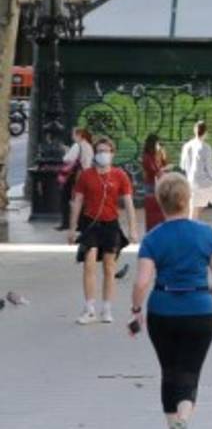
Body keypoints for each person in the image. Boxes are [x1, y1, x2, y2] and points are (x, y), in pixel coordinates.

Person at [130, 172, 212, 429]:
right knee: (190, 372)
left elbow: (141, 282)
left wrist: (136, 310)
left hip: (163, 311)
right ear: (187, 201)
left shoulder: (153, 238)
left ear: (161, 203)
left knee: (169, 372)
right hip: (199, 309)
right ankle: (184, 420)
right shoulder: (205, 234)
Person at [68, 136, 139, 325]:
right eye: (99, 151)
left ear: (113, 154)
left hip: (111, 225)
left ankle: (106, 308)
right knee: (89, 263)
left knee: (109, 267)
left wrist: (133, 229)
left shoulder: (120, 176)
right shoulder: (86, 175)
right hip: (90, 223)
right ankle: (89, 308)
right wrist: (72, 228)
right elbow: (78, 202)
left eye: (106, 151)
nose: (102, 154)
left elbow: (129, 204)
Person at [57, 127, 94, 230]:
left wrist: (66, 151)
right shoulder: (88, 145)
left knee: (66, 198)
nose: (72, 136)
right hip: (86, 174)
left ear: (79, 135)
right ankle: (81, 223)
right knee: (81, 199)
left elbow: (67, 159)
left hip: (75, 175)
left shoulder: (77, 145)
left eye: (74, 134)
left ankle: (66, 223)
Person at [141, 134, 168, 233]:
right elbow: (154, 171)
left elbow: (164, 165)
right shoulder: (147, 157)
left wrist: (163, 156)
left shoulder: (157, 155)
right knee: (153, 212)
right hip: (151, 185)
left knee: (160, 211)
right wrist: (162, 170)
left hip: (159, 184)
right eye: (157, 143)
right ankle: (152, 231)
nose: (159, 145)